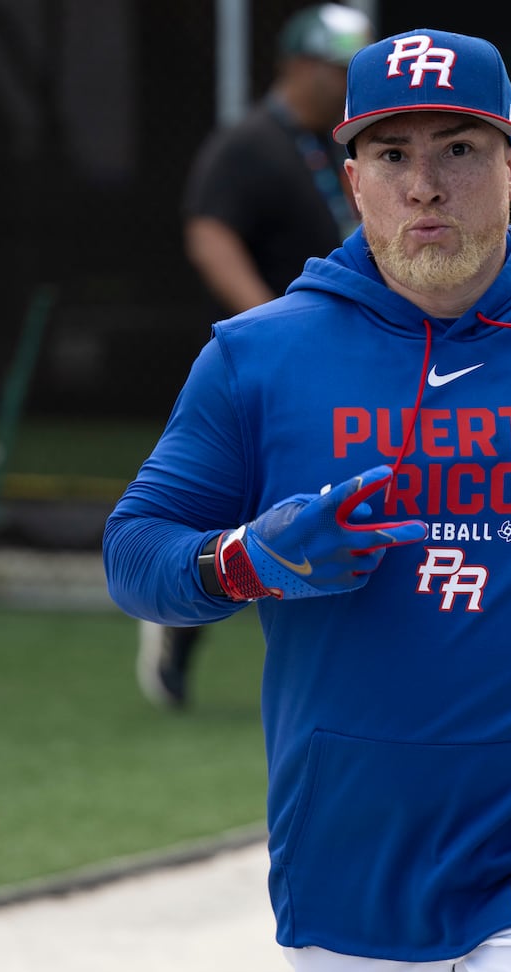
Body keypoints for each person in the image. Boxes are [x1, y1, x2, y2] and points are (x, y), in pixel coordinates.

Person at [105, 27, 511, 972]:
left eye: (460, 149)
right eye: (393, 154)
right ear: (353, 176)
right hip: (349, 843)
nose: (426, 184)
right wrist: (246, 563)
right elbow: (136, 554)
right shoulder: (256, 358)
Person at [135, 3, 373, 708]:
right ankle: (176, 627)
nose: (346, 84)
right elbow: (210, 235)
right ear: (299, 65)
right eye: (339, 69)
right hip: (268, 359)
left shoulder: (339, 144)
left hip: (342, 353)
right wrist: (270, 322)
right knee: (233, 509)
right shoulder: (249, 143)